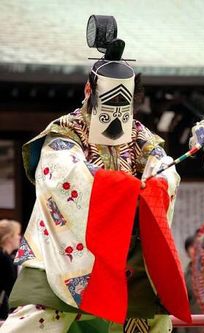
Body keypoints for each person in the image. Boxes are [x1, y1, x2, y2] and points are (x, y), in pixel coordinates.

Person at [0, 19, 189, 333]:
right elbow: (62, 173)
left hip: (128, 249)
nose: (118, 117)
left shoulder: (141, 137)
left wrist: (157, 182)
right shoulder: (65, 132)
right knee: (38, 322)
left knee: (149, 320)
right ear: (89, 90)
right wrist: (125, 188)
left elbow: (165, 168)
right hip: (67, 250)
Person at [0, 219, 21, 320]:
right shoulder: (5, 259)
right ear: (9, 238)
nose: (19, 237)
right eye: (17, 234)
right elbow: (13, 291)